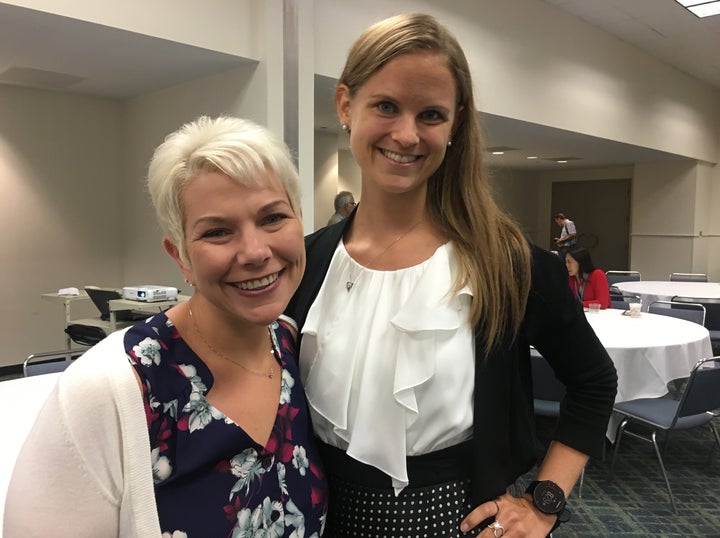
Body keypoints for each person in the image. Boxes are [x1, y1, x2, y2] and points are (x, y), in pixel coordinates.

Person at [286, 13, 617, 538]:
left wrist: (544, 502)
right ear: (346, 105)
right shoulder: (305, 264)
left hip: (455, 519)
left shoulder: (504, 263)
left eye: (431, 114)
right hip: (322, 518)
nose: (407, 134)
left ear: (456, 124)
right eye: (386, 106)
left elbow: (594, 380)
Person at [4, 116, 327, 537]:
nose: (254, 251)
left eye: (272, 218)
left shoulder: (291, 345)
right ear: (180, 256)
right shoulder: (111, 389)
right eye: (217, 231)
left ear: (300, 221)